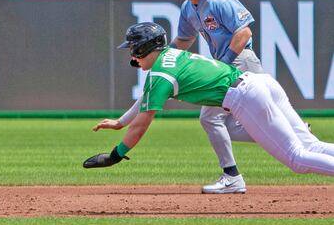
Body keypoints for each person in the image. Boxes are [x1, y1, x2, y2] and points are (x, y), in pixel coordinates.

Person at [85, 22, 334, 180]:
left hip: (245, 96)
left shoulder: (160, 74)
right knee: (310, 145)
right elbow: (146, 99)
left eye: (134, 50)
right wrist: (120, 121)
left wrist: (115, 155)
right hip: (260, 83)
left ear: (144, 49)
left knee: (297, 159)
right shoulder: (171, 57)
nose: (132, 56)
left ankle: (232, 179)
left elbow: (140, 127)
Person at [166, 0, 263, 192]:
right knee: (232, 126)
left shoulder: (219, 0)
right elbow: (184, 40)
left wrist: (223, 67)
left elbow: (244, 32)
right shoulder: (188, 8)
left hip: (239, 60)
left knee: (210, 118)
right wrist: (162, 59)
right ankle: (291, 130)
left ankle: (232, 177)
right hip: (228, 64)